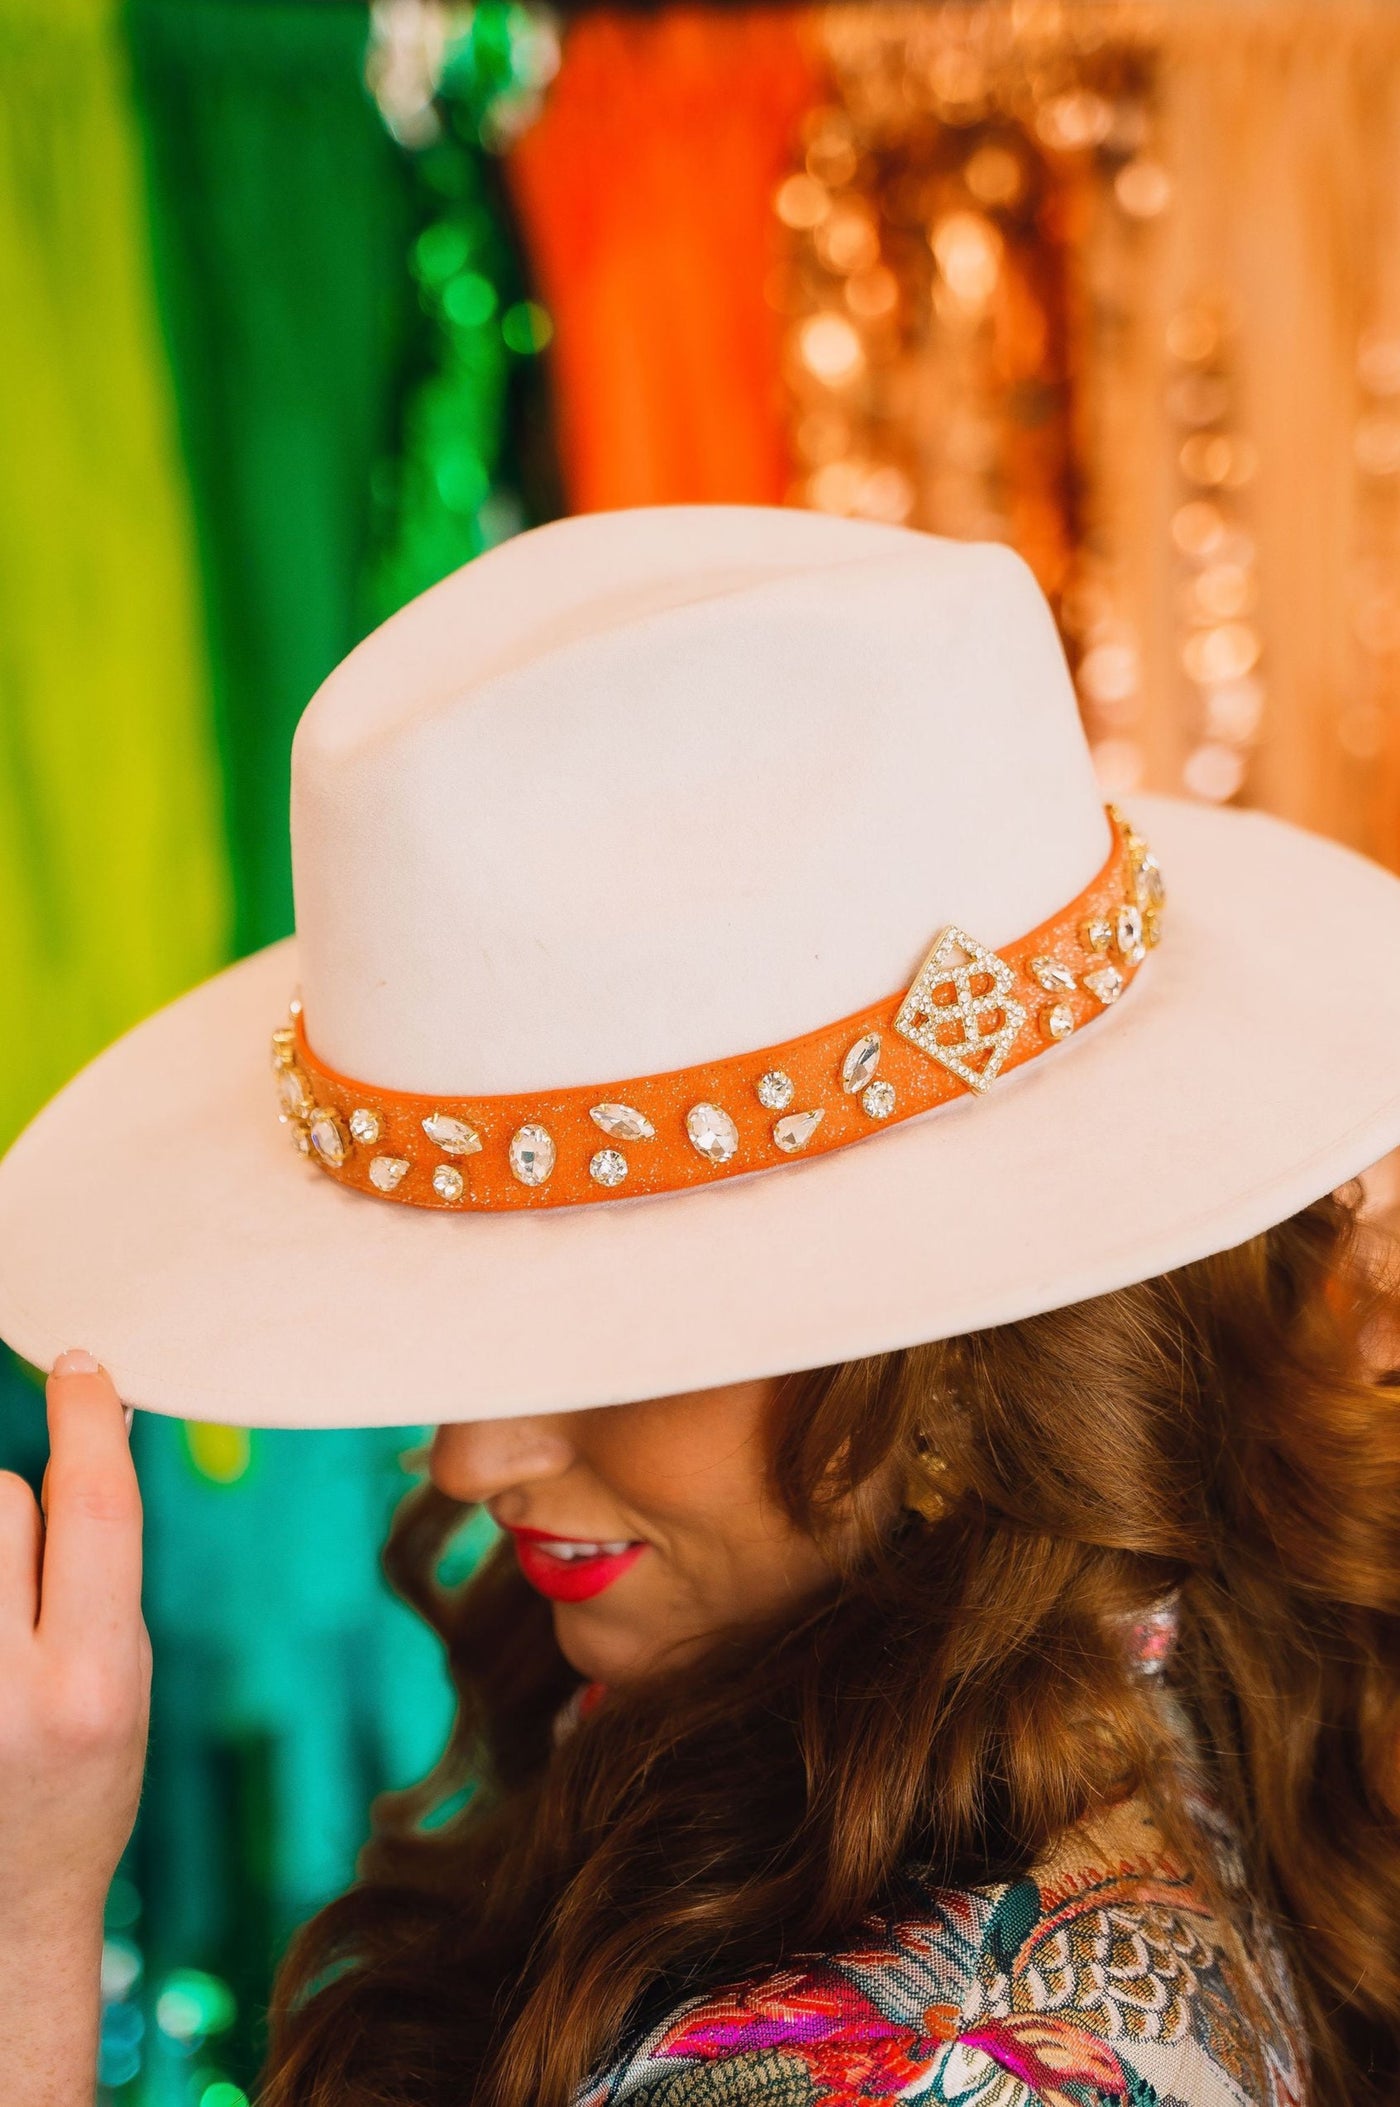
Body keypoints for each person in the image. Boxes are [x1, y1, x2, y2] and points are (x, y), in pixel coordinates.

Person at [2, 508, 1399, 2107]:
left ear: (946, 1350)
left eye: (608, 1335)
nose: (474, 1458)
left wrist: (27, 1935)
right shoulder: (1154, 1651)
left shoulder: (909, 2070)